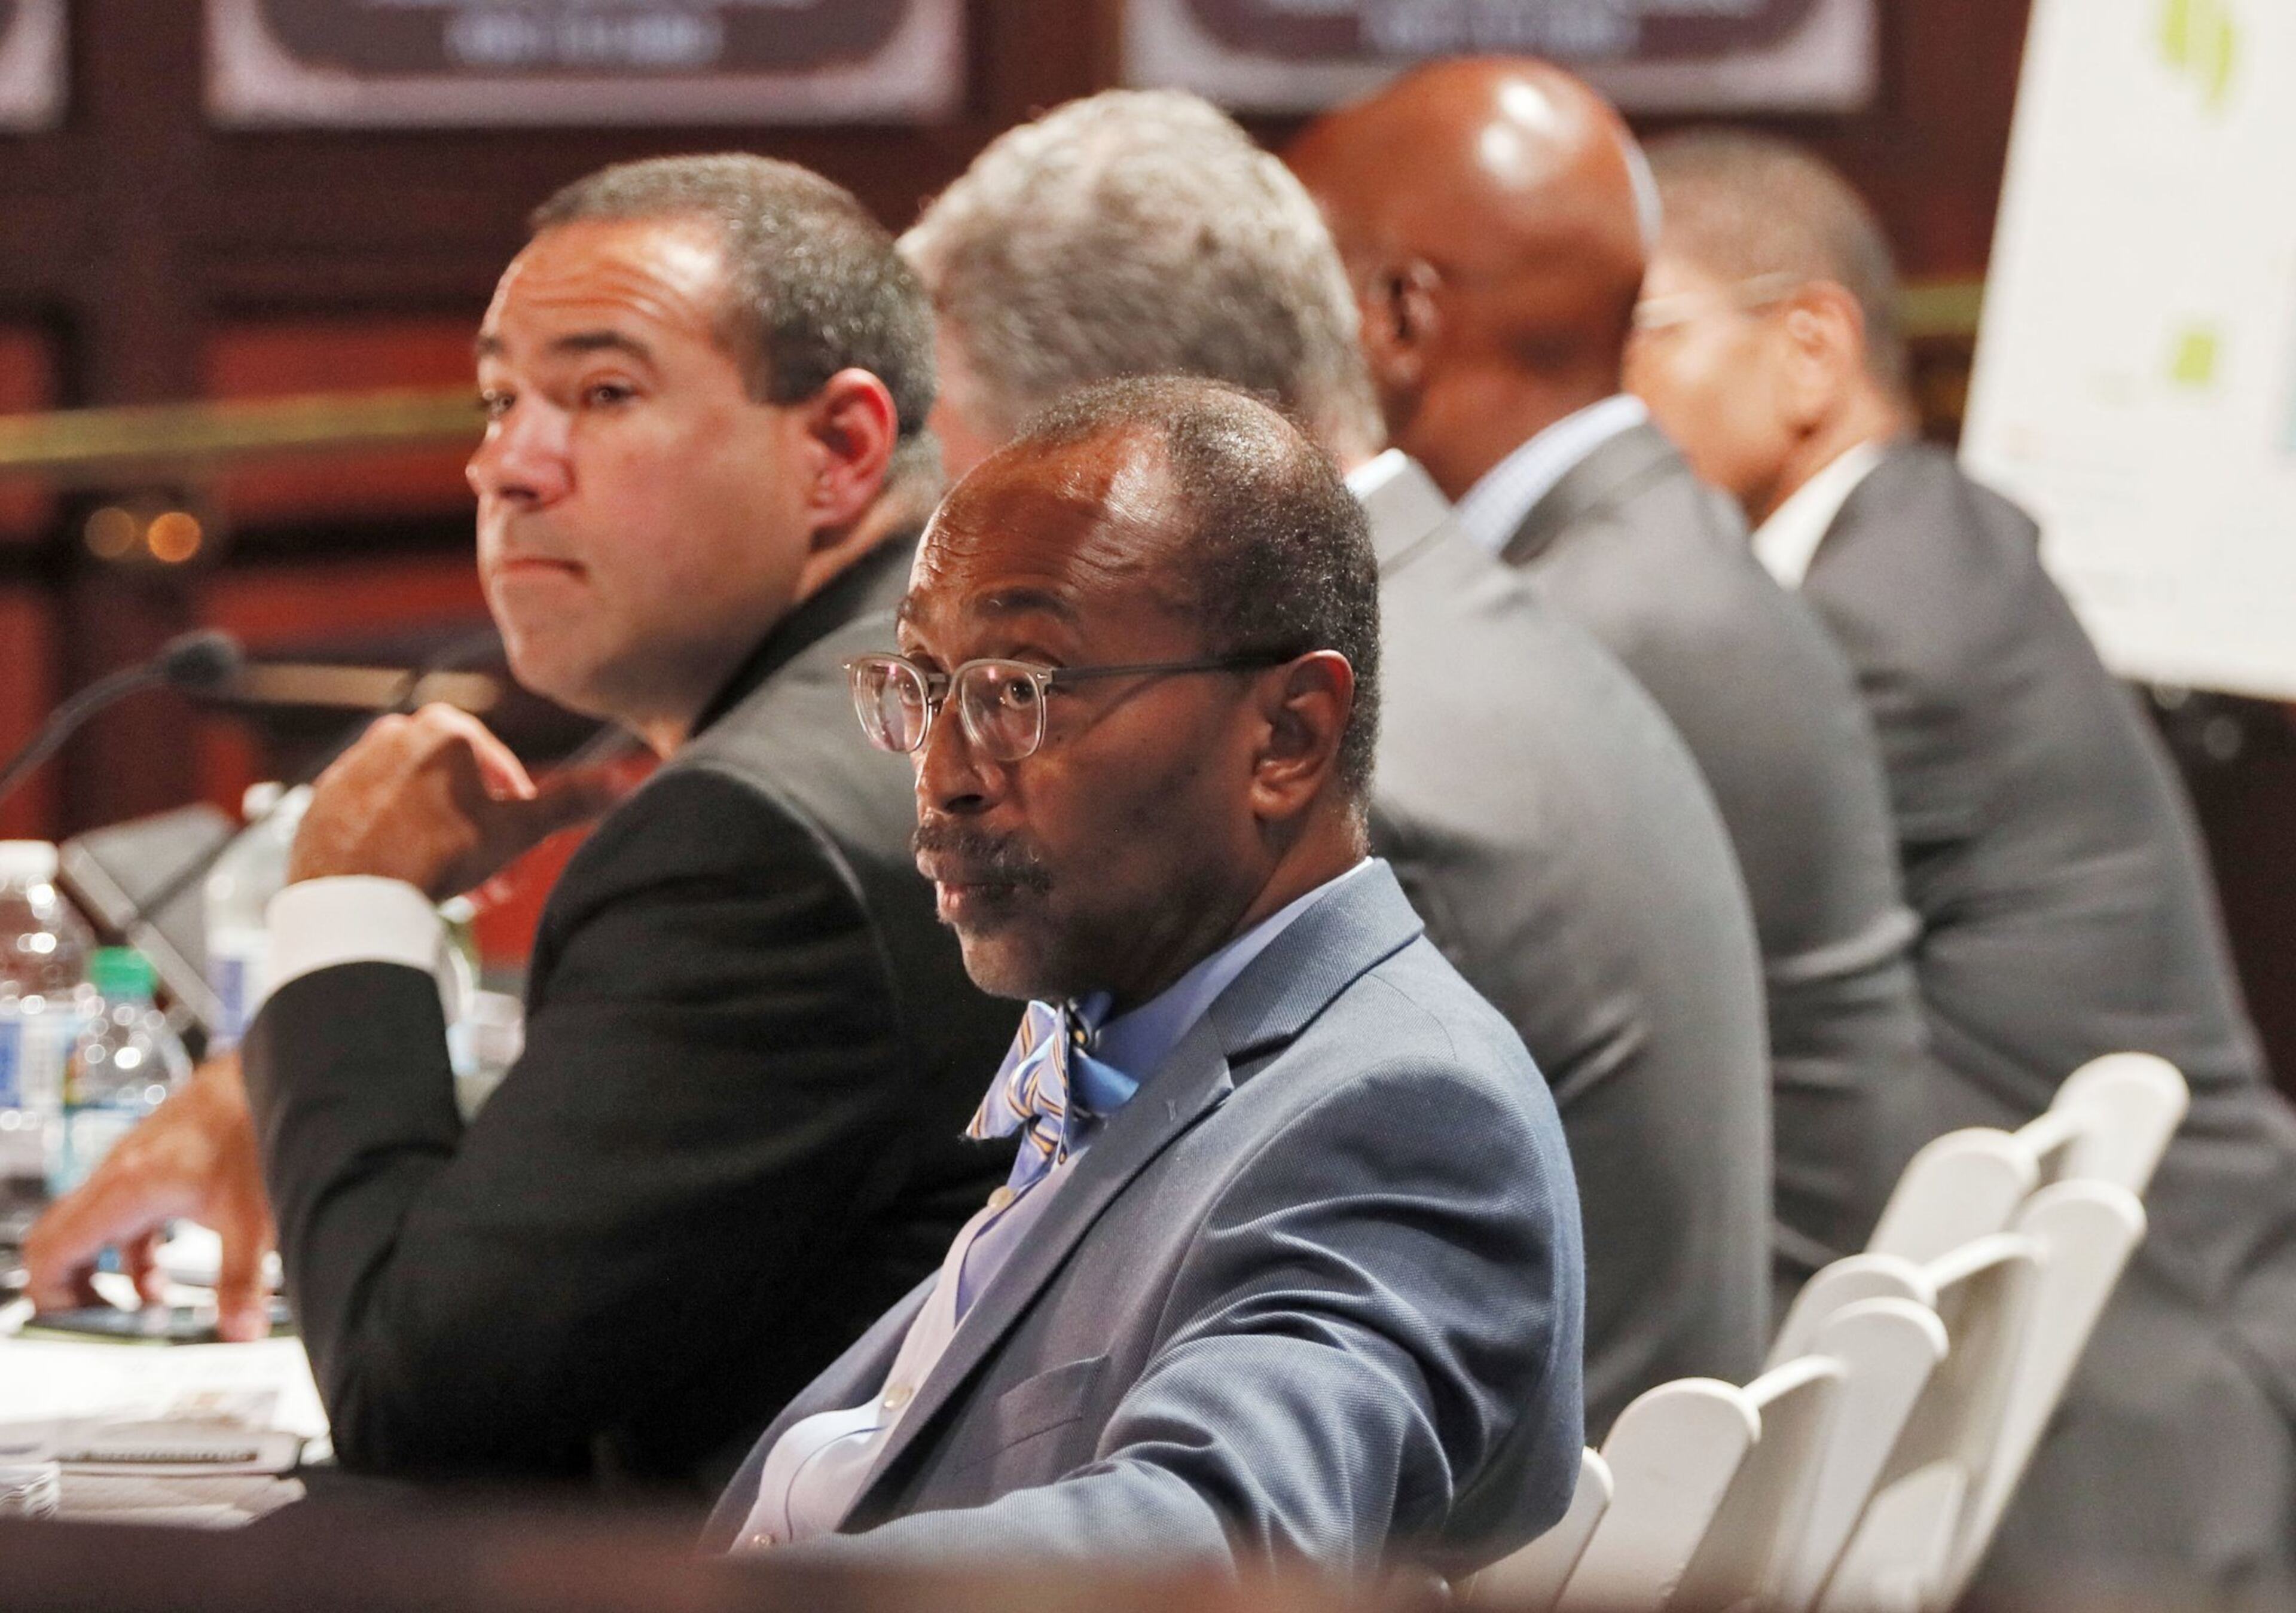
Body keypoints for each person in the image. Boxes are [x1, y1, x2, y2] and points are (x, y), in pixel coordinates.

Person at [25, 155, 1017, 1493]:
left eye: (603, 394)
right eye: (501, 399)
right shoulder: (886, 714)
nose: (507, 464)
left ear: (836, 447)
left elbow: (417, 1396)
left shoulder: (762, 831)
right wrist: (280, 1091)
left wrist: (345, 900)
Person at [899, 87, 1767, 1431]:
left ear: (1123, 450)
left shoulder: (1353, 771)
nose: (946, 516)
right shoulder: (1467, 606)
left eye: (963, 464)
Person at [704, 375, 1585, 1578]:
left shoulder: (1402, 1110)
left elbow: (1225, 1528)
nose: (944, 775)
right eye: (924, 684)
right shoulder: (1143, 1025)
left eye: (1021, 689)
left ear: (1286, 735)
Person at [1627, 128, 2296, 1599]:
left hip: (2135, 1392)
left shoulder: (1885, 619)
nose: (1602, 403)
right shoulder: (1916, 545)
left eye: (1640, 336)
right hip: (2119, 1342)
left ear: (1810, 347)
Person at [1289, 59, 1932, 1293]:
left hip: (1701, 1373)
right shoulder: (1655, 549)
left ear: (1396, 319)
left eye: (1294, 292)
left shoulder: (1581, 614)